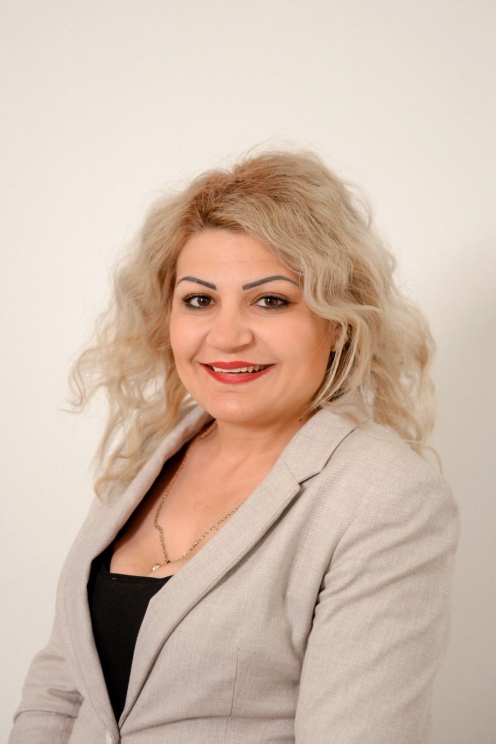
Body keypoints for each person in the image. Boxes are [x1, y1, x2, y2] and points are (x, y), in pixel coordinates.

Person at [9, 150, 459, 744]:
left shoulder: (384, 497)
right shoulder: (146, 459)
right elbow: (61, 690)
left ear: (338, 322)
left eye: (270, 300)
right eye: (199, 300)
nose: (226, 336)